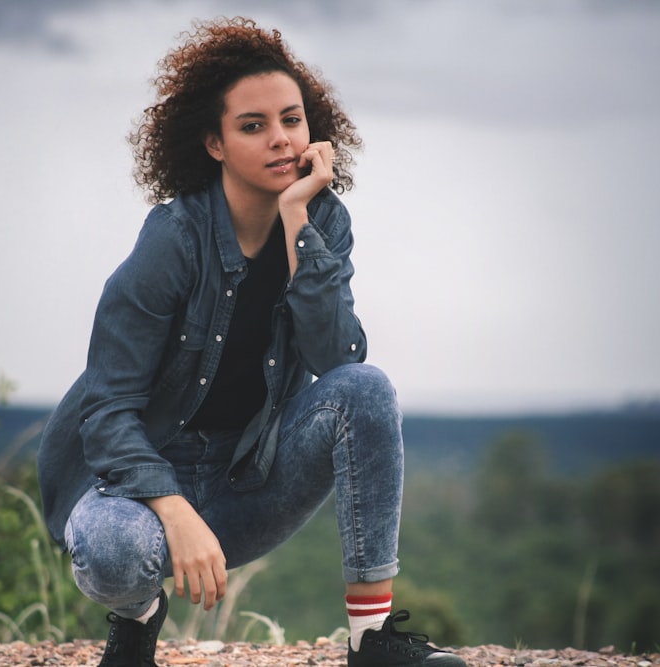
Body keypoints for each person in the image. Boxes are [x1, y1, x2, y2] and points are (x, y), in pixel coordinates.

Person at [37, 16, 466, 667]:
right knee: (114, 550)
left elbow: (337, 359)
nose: (280, 139)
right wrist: (173, 508)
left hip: (246, 482)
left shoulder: (323, 220)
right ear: (213, 142)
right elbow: (105, 410)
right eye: (252, 125)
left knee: (367, 389)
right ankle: (136, 621)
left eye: (291, 120)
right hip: (137, 491)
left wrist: (298, 218)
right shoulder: (173, 239)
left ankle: (372, 640)